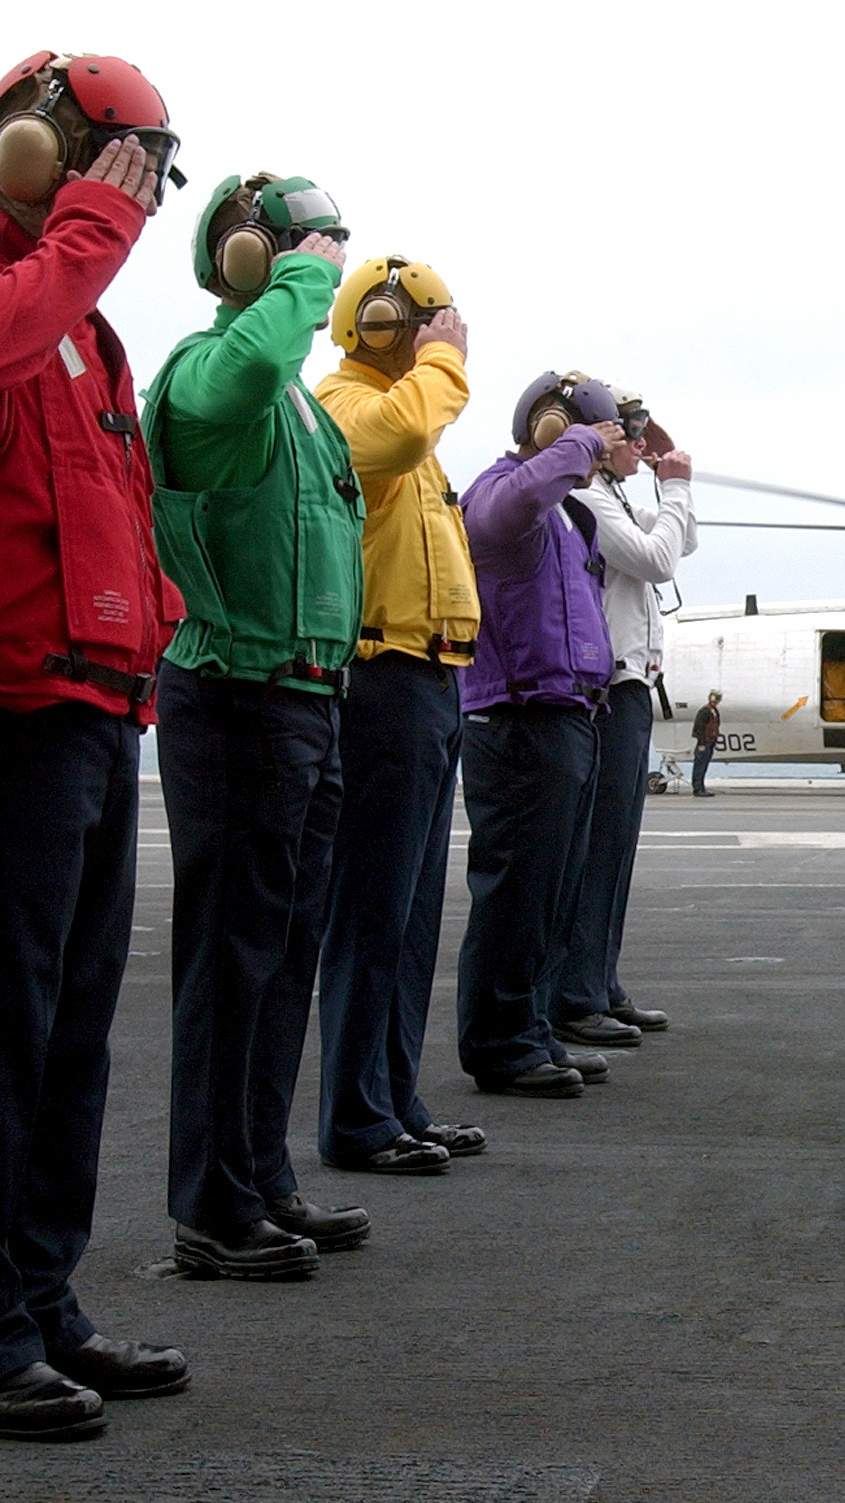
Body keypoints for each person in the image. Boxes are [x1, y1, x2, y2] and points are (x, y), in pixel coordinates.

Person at [0, 51, 187, 1440]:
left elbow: (107, 509)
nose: (134, 197)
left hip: (87, 710)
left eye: (147, 175)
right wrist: (82, 236)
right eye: (120, 159)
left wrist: (152, 634)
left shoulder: (92, 333)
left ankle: (37, 1294)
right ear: (31, 148)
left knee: (66, 1039)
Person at [144, 172, 370, 1278]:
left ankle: (259, 1174)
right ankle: (210, 1205)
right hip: (233, 694)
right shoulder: (212, 369)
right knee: (232, 956)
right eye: (303, 248)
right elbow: (242, 370)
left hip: (302, 696)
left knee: (283, 954)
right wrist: (295, 280)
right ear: (247, 259)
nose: (326, 264)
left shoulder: (299, 404)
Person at [313, 256, 484, 1173]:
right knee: (372, 911)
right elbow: (399, 436)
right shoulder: (346, 406)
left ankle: (393, 1097)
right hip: (379, 684)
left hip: (429, 679)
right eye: (423, 326)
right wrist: (443, 364)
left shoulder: (412, 422)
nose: (440, 339)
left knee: (413, 916)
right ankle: (354, 1116)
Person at [455, 374, 622, 1096]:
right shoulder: (504, 493)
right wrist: (578, 442)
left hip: (568, 716)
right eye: (594, 435)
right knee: (517, 891)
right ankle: (500, 1041)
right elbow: (505, 509)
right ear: (553, 427)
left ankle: (531, 1027)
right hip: (522, 720)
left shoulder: (561, 517)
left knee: (551, 890)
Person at [553, 382, 696, 1042]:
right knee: (599, 846)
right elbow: (658, 557)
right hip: (610, 689)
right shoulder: (585, 496)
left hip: (630, 688)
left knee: (616, 847)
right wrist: (676, 488)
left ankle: (599, 982)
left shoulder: (610, 496)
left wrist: (671, 487)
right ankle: (578, 992)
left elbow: (678, 545)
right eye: (627, 430)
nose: (640, 441)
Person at [691, 689, 722, 795]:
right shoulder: (705, 711)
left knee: (703, 765)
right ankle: (698, 788)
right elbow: (699, 727)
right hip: (705, 742)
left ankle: (701, 787)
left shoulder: (713, 711)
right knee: (700, 764)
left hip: (710, 741)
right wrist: (701, 743)